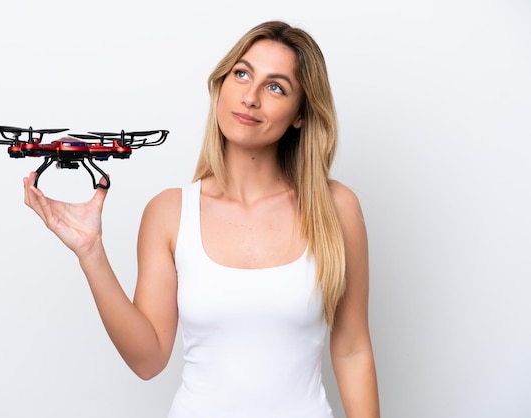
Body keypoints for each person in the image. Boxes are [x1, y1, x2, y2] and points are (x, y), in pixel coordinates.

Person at [24, 20, 379, 418]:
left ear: (300, 114)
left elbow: (351, 350)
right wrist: (91, 253)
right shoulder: (170, 213)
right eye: (242, 74)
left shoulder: (334, 207)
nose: (250, 97)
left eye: (276, 86)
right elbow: (148, 359)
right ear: (222, 85)